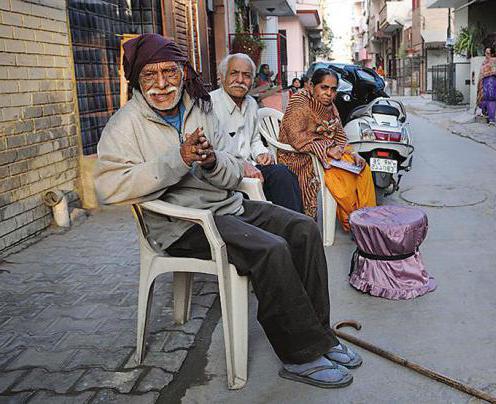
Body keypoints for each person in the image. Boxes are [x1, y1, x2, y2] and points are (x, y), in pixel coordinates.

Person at [94, 34, 361, 389]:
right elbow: (107, 186)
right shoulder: (126, 124)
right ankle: (300, 355)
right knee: (271, 249)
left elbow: (234, 168)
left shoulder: (200, 108)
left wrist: (211, 161)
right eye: (149, 76)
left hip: (225, 206)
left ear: (183, 72)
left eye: (169, 73)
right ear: (137, 81)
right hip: (181, 224)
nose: (161, 84)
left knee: (303, 229)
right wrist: (179, 159)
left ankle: (319, 334)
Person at [277, 68, 376, 231]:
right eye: (324, 87)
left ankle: (367, 220)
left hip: (324, 153)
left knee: (362, 169)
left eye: (333, 89)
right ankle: (353, 221)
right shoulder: (299, 101)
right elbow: (295, 136)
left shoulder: (329, 106)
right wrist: (327, 148)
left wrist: (353, 153)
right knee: (343, 178)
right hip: (298, 155)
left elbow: (339, 134)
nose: (329, 93)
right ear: (311, 86)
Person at [210, 53, 303, 213]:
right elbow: (212, 150)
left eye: (246, 76)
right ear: (222, 77)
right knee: (280, 177)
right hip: (226, 173)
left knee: (285, 175)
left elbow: (254, 140)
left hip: (252, 168)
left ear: (253, 80)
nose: (240, 80)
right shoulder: (210, 105)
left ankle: (295, 229)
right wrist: (241, 165)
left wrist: (262, 153)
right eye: (234, 73)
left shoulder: (251, 104)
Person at [476, 47, 496, 126]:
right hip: (484, 81)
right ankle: (485, 113)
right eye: (485, 53)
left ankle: (491, 119)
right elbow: (481, 72)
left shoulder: (494, 60)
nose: (486, 55)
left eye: (488, 53)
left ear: (492, 54)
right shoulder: (484, 61)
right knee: (483, 98)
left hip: (491, 81)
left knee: (491, 99)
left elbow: (494, 70)